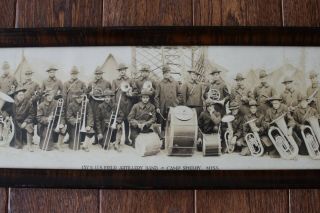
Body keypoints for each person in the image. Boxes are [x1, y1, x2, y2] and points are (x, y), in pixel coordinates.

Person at [155, 64, 181, 149]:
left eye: (168, 72)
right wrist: (158, 107)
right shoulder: (159, 83)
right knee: (163, 125)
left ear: (170, 72)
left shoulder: (175, 82)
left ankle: (174, 142)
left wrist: (175, 103)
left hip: (173, 108)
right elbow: (156, 97)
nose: (167, 74)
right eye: (165, 72)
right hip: (163, 108)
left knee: (173, 124)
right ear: (163, 73)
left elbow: (180, 95)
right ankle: (163, 142)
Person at [112, 63, 137, 146]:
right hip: (118, 105)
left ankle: (126, 139)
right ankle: (118, 140)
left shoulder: (130, 80)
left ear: (125, 70)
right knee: (118, 122)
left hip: (128, 104)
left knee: (127, 122)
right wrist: (114, 104)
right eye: (120, 70)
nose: (122, 72)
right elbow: (112, 94)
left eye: (123, 70)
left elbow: (136, 91)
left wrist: (131, 92)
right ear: (118, 71)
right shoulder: (115, 81)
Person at [87, 66, 111, 144]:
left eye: (100, 74)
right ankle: (96, 139)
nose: (98, 75)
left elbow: (110, 93)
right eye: (97, 74)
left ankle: (102, 137)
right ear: (95, 74)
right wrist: (89, 94)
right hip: (94, 103)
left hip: (103, 103)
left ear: (102, 74)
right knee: (95, 119)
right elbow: (87, 94)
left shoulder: (107, 83)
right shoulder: (91, 83)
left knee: (102, 119)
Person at [11, 87, 36, 151]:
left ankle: (29, 145)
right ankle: (18, 143)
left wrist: (26, 122)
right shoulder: (13, 103)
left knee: (29, 126)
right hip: (15, 121)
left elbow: (32, 114)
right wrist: (8, 117)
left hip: (25, 121)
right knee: (16, 144)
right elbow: (9, 112)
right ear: (16, 96)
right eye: (20, 95)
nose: (21, 96)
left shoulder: (29, 103)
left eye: (22, 95)